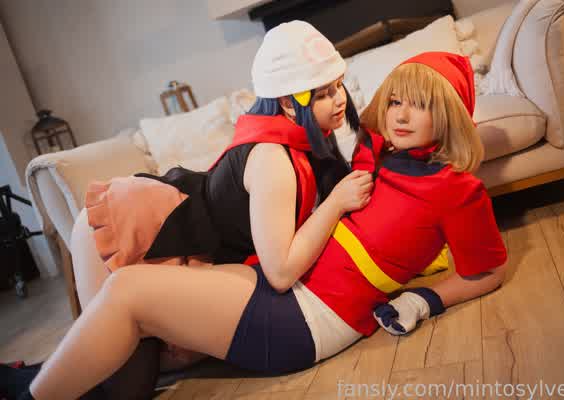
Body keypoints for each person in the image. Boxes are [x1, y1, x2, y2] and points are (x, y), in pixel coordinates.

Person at [19, 51, 508, 400]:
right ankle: (37, 380)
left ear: (448, 114)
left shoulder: (458, 190)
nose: (401, 115)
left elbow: (487, 272)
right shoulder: (375, 150)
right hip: (278, 281)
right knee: (130, 310)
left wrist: (422, 300)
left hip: (312, 317)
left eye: (421, 104)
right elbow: (309, 122)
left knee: (126, 292)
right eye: (396, 100)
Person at [1, 20, 372, 400]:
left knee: (119, 374)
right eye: (323, 93)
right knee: (118, 380)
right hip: (135, 226)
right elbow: (279, 272)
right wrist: (336, 203)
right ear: (288, 103)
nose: (339, 100)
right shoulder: (272, 158)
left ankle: (15, 379)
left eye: (339, 85)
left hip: (176, 228)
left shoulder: (300, 140)